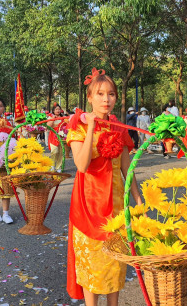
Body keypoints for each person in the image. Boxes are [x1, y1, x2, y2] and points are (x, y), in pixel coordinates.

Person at [66, 70, 143, 306]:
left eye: (110, 94)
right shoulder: (78, 125)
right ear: (89, 97)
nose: (105, 99)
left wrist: (138, 200)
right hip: (88, 205)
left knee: (114, 263)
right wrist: (91, 127)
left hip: (117, 205)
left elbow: (126, 169)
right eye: (100, 94)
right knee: (92, 264)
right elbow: (81, 165)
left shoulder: (120, 128)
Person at [47, 105, 65, 172]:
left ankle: (58, 167)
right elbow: (48, 126)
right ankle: (52, 166)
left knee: (60, 152)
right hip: (53, 136)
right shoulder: (50, 117)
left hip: (61, 136)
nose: (58, 110)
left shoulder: (63, 118)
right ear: (53, 111)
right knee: (54, 151)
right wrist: (53, 119)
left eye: (59, 109)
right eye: (56, 109)